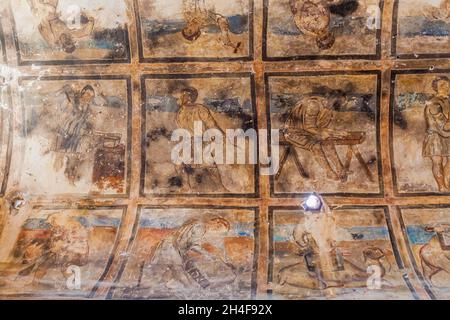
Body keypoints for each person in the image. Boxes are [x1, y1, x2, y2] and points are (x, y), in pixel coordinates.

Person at [128, 216, 236, 298]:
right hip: (170, 246)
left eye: (218, 230)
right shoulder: (200, 226)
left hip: (172, 247)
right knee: (177, 269)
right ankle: (191, 290)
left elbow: (189, 244)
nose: (215, 230)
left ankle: (149, 286)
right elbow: (192, 244)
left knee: (168, 271)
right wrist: (208, 255)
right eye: (217, 227)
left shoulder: (199, 227)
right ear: (214, 222)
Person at [283, 91, 349, 181]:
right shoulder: (314, 104)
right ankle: (329, 172)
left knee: (328, 142)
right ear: (334, 99)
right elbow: (309, 126)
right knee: (316, 146)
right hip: (293, 132)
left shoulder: (328, 110)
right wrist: (326, 133)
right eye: (341, 102)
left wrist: (335, 132)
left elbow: (320, 128)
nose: (342, 105)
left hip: (309, 132)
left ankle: (340, 169)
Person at [175, 86, 229, 191]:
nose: (181, 98)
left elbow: (211, 123)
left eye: (183, 95)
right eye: (181, 95)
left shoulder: (200, 108)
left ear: (189, 97)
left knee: (209, 165)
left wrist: (220, 134)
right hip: (187, 142)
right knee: (179, 164)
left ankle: (221, 188)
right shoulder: (180, 111)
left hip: (200, 141)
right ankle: (186, 187)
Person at [27, 0, 95, 54]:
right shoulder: (70, 35)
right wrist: (91, 21)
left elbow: (42, 23)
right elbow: (86, 32)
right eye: (71, 42)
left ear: (62, 45)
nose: (68, 40)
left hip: (41, 13)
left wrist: (55, 16)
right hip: (51, 10)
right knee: (52, 6)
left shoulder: (52, 39)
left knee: (48, 7)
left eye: (67, 43)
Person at [289, 0, 359, 50]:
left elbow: (322, 4)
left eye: (326, 36)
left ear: (330, 34)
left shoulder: (324, 23)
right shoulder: (306, 32)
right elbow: (295, 15)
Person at [422, 76, 450, 191]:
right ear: (436, 88)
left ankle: (447, 184)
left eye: (447, 84)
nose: (445, 87)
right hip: (435, 136)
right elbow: (443, 125)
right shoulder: (434, 104)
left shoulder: (447, 101)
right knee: (437, 162)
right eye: (441, 85)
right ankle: (442, 187)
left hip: (447, 135)